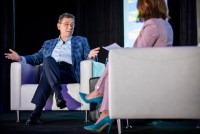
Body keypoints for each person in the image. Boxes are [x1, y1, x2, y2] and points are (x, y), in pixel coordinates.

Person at [79, 0, 173, 133]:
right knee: (115, 63)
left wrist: (121, 52)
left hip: (148, 74)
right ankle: (103, 111)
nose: (139, 9)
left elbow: (137, 53)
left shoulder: (152, 24)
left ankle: (99, 94)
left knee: (115, 60)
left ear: (147, 6)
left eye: (140, 6)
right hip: (154, 70)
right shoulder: (165, 24)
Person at [5, 12, 100, 125]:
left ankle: (36, 112)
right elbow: (37, 58)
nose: (70, 27)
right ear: (58, 26)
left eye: (72, 24)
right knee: (48, 60)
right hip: (51, 70)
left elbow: (87, 55)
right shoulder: (48, 43)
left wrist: (90, 56)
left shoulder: (81, 41)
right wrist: (20, 58)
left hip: (69, 72)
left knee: (47, 72)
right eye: (66, 24)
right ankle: (57, 96)